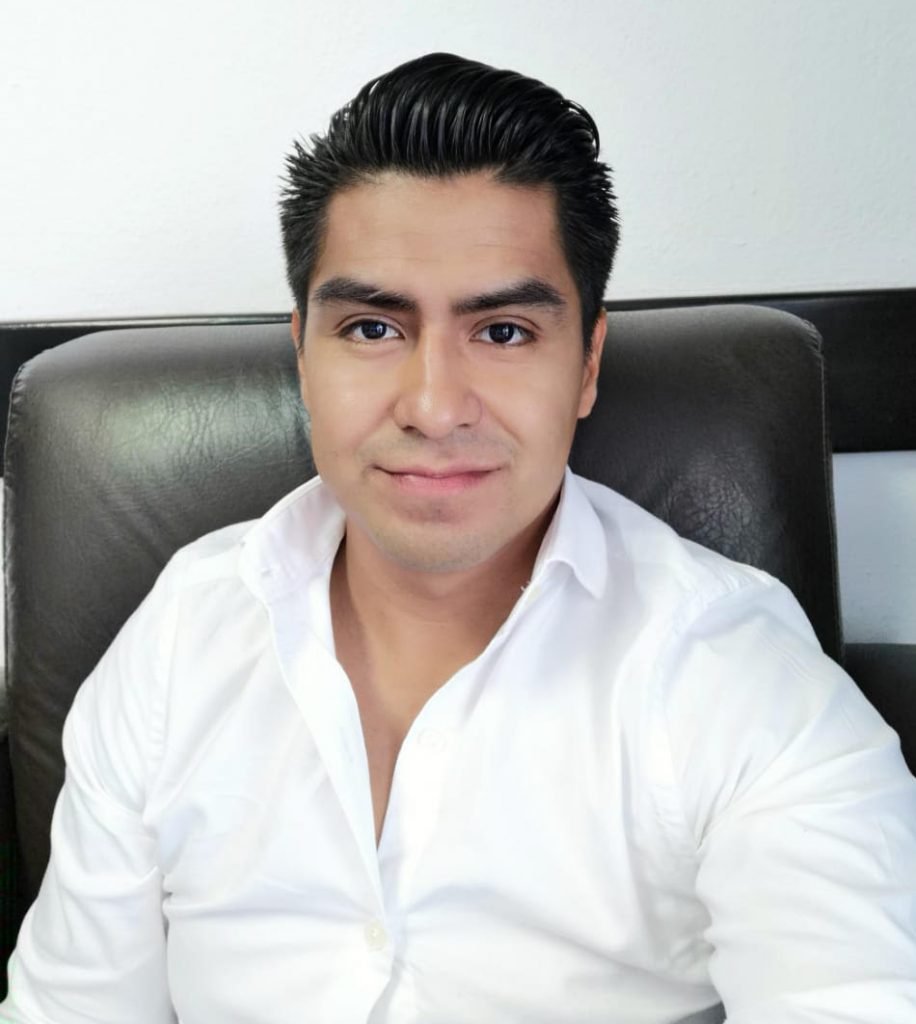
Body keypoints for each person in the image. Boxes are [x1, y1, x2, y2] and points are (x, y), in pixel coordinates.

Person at [2, 51, 915, 1024]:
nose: (435, 408)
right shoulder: (184, 630)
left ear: (587, 364)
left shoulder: (730, 672)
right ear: (302, 356)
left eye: (504, 331)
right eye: (371, 329)